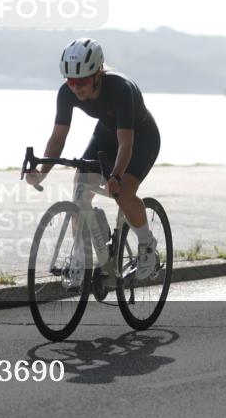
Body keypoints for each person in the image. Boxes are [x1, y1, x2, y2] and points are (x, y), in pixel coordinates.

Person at [25, 38, 161, 280]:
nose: (76, 87)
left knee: (124, 192)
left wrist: (116, 176)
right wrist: (42, 171)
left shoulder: (121, 89)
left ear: (98, 73)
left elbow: (126, 144)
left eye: (83, 81)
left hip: (141, 139)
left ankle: (147, 245)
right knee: (80, 187)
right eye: (70, 81)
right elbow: (57, 139)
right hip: (107, 134)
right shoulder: (66, 93)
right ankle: (84, 255)